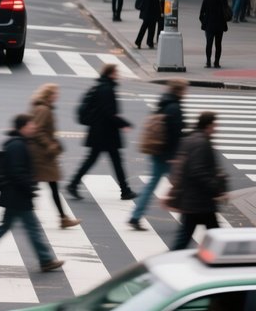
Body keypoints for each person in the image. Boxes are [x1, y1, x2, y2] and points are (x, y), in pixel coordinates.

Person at [0, 114, 64, 274]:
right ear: (23, 127)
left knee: (7, 227)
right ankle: (46, 260)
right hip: (17, 195)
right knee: (31, 228)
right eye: (31, 125)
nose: (34, 127)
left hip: (14, 195)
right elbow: (17, 172)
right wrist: (29, 189)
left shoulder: (18, 143)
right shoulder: (18, 146)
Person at [67, 64, 136, 201]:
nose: (118, 75)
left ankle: (73, 184)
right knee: (114, 161)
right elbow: (108, 112)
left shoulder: (102, 86)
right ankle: (125, 190)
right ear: (110, 73)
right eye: (116, 72)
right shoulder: (106, 89)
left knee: (97, 160)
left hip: (100, 131)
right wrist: (123, 123)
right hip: (105, 132)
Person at [128, 79, 186, 231]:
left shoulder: (163, 103)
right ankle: (190, 217)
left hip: (157, 150)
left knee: (152, 184)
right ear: (180, 91)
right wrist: (175, 155)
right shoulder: (174, 107)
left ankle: (135, 216)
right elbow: (175, 134)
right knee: (182, 185)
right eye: (185, 90)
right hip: (168, 154)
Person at [168, 112, 226, 250]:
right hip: (199, 201)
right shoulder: (201, 143)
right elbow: (197, 171)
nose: (216, 128)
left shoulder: (190, 139)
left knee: (189, 237)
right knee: (214, 236)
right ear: (208, 125)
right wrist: (216, 188)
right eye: (214, 125)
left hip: (193, 199)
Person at [28, 84, 79, 229]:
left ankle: (63, 218)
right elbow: (37, 131)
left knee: (49, 186)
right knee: (38, 186)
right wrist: (50, 144)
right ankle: (61, 218)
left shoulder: (44, 108)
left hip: (43, 154)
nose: (57, 96)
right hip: (41, 155)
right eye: (55, 94)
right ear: (49, 95)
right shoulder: (43, 109)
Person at [199, 0, 229, 68]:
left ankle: (216, 62)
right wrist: (204, 22)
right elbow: (202, 12)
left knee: (218, 44)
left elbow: (226, 9)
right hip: (210, 25)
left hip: (219, 25)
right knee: (209, 43)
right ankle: (208, 61)